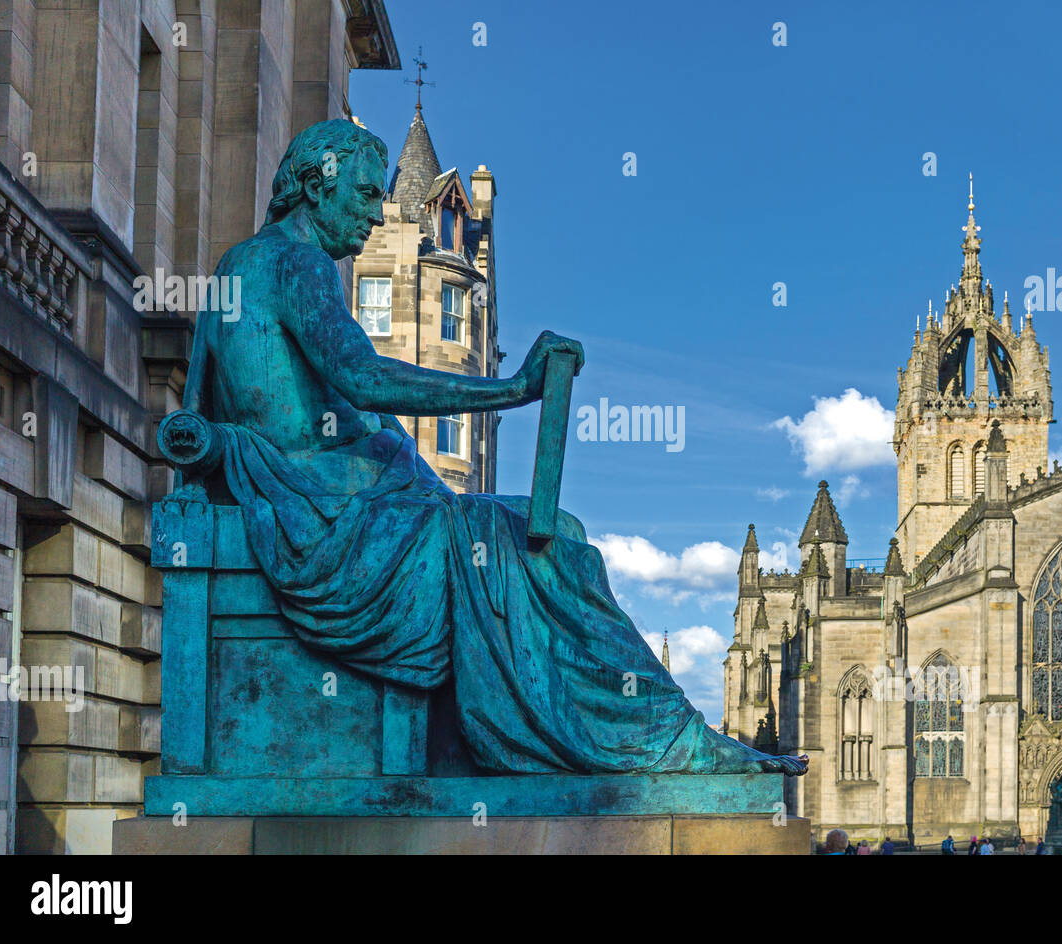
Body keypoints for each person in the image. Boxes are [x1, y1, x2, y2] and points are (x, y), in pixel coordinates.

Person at [180, 118, 811, 779]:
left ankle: (657, 734)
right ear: (315, 186)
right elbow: (362, 377)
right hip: (328, 522)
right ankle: (660, 743)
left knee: (546, 537)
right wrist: (511, 389)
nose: (376, 211)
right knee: (547, 548)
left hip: (332, 506)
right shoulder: (295, 263)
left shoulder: (236, 266)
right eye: (367, 194)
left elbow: (197, 405)